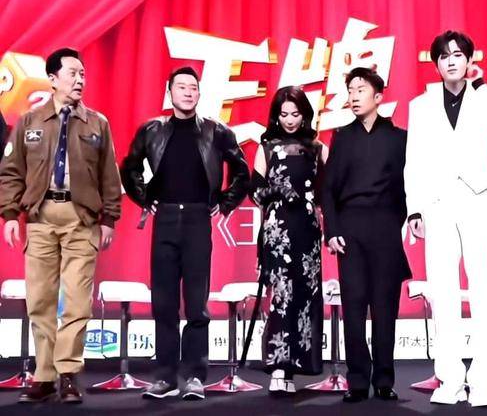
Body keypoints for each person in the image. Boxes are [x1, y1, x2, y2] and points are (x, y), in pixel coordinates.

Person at [0, 47, 122, 404]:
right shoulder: (30, 121)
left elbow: (110, 176)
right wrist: (10, 215)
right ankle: (44, 376)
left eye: (83, 74)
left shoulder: (97, 123)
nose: (79, 79)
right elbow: (11, 172)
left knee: (77, 302)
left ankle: (68, 373)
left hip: (81, 219)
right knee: (40, 299)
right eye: (72, 73)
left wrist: (109, 218)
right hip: (40, 218)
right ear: (52, 79)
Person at [120, 66, 249, 400]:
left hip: (197, 219)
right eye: (181, 87)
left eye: (193, 87)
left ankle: (194, 376)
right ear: (170, 92)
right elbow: (129, 166)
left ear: (199, 93)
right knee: (163, 303)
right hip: (165, 218)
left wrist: (225, 202)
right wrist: (144, 198)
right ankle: (164, 377)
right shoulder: (152, 130)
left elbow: (242, 170)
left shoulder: (216, 131)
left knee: (196, 305)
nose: (188, 92)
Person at [405, 30, 487, 407]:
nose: (451, 61)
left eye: (458, 55)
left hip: (477, 200)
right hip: (438, 204)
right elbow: (414, 161)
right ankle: (450, 379)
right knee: (443, 293)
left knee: (484, 290)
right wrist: (415, 208)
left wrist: (482, 85)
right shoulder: (421, 105)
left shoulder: (482, 97)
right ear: (436, 64)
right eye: (444, 56)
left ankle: (482, 383)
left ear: (469, 61)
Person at [322, 67, 411, 403]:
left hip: (386, 226)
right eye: (350, 90)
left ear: (378, 96)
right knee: (354, 305)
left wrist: (400, 219)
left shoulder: (399, 138)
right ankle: (357, 380)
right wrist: (333, 230)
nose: (354, 96)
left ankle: (385, 379)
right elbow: (327, 189)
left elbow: (406, 187)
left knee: (386, 307)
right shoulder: (342, 137)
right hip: (351, 228)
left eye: (360, 90)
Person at [251, 85, 328, 394]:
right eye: (284, 114)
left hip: (307, 231)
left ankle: (296, 369)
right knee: (280, 297)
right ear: (276, 116)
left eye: (295, 114)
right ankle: (278, 368)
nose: (290, 120)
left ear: (305, 114)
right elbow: (256, 192)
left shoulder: (318, 148)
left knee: (305, 298)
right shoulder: (267, 148)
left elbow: (328, 192)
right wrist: (279, 190)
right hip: (278, 231)